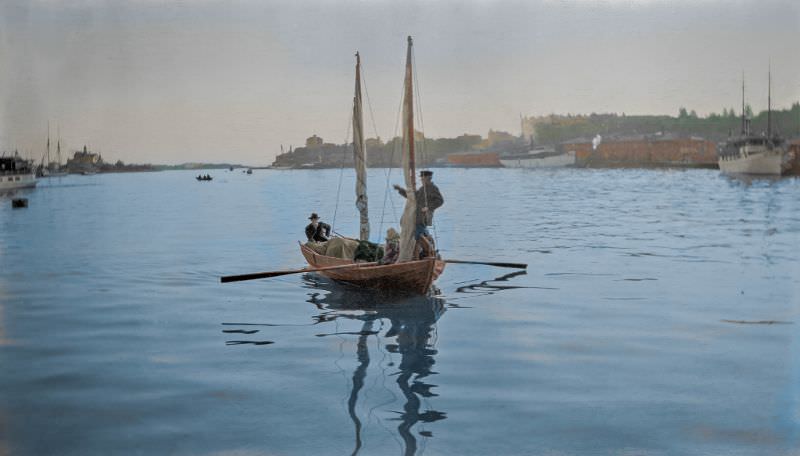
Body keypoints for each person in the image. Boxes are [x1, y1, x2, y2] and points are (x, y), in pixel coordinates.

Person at [393, 170, 444, 240]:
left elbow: (440, 201)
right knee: (412, 233)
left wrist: (428, 207)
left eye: (423, 179)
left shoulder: (433, 188)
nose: (421, 180)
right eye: (421, 179)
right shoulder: (422, 189)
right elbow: (413, 197)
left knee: (415, 235)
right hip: (416, 217)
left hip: (423, 218)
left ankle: (420, 241)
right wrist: (400, 190)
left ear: (428, 178)